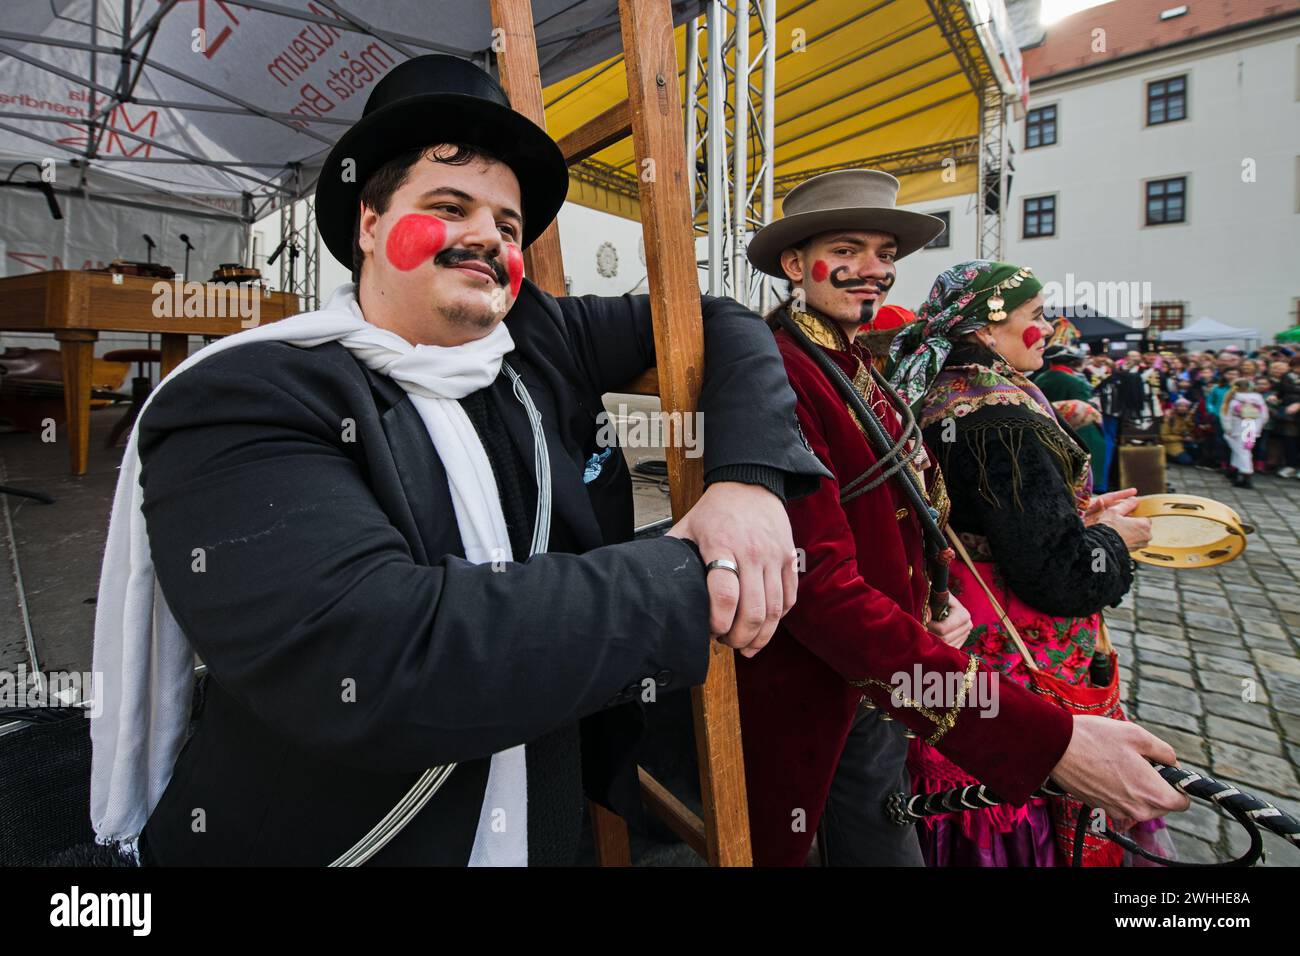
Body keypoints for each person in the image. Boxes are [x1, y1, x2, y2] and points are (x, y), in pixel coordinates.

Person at [88, 54, 832, 867]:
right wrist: (697, 571)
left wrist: (748, 485)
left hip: (550, 825)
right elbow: (382, 659)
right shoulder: (242, 395)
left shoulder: (539, 336)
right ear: (370, 225)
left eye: (509, 226)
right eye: (448, 206)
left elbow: (725, 321)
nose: (488, 235)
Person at [890, 260, 1179, 867]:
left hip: (961, 624)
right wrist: (1116, 541)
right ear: (988, 331)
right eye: (1037, 315)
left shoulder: (938, 395)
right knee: (1029, 788)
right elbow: (1058, 574)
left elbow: (984, 519)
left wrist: (1078, 514)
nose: (1048, 328)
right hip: (1017, 644)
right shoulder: (1006, 419)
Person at [1035, 344, 1107, 490]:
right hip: (1077, 433)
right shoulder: (1076, 382)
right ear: (1070, 361)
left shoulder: (1039, 379)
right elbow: (1085, 411)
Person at [1221, 377, 1269, 489]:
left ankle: (1246, 474)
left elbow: (1225, 415)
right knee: (1242, 451)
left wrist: (1227, 428)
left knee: (1242, 452)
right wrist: (1258, 427)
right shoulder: (1258, 399)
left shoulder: (1232, 400)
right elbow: (1264, 416)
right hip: (1252, 429)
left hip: (1236, 429)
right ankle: (1234, 471)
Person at [1162, 397, 1198, 465]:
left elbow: (1190, 430)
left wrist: (1190, 422)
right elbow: (1164, 436)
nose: (1183, 408)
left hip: (1184, 443)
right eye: (1180, 406)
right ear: (1176, 407)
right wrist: (1182, 438)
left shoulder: (1187, 417)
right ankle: (1168, 456)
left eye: (1185, 406)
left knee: (1196, 454)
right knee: (1187, 461)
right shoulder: (1170, 418)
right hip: (1173, 444)